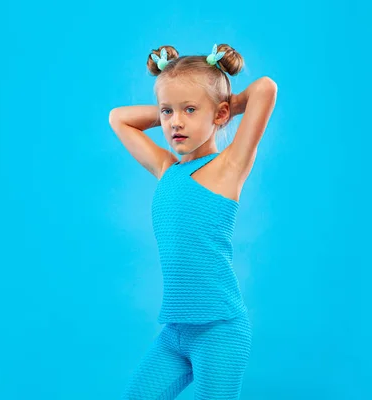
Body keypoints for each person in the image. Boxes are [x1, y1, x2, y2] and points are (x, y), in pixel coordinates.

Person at [109, 44, 277, 399]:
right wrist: (173, 105)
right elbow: (118, 118)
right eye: (168, 111)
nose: (176, 121)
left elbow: (265, 88)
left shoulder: (228, 168)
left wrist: (223, 107)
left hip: (220, 331)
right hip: (175, 333)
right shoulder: (166, 169)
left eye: (189, 109)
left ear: (221, 115)